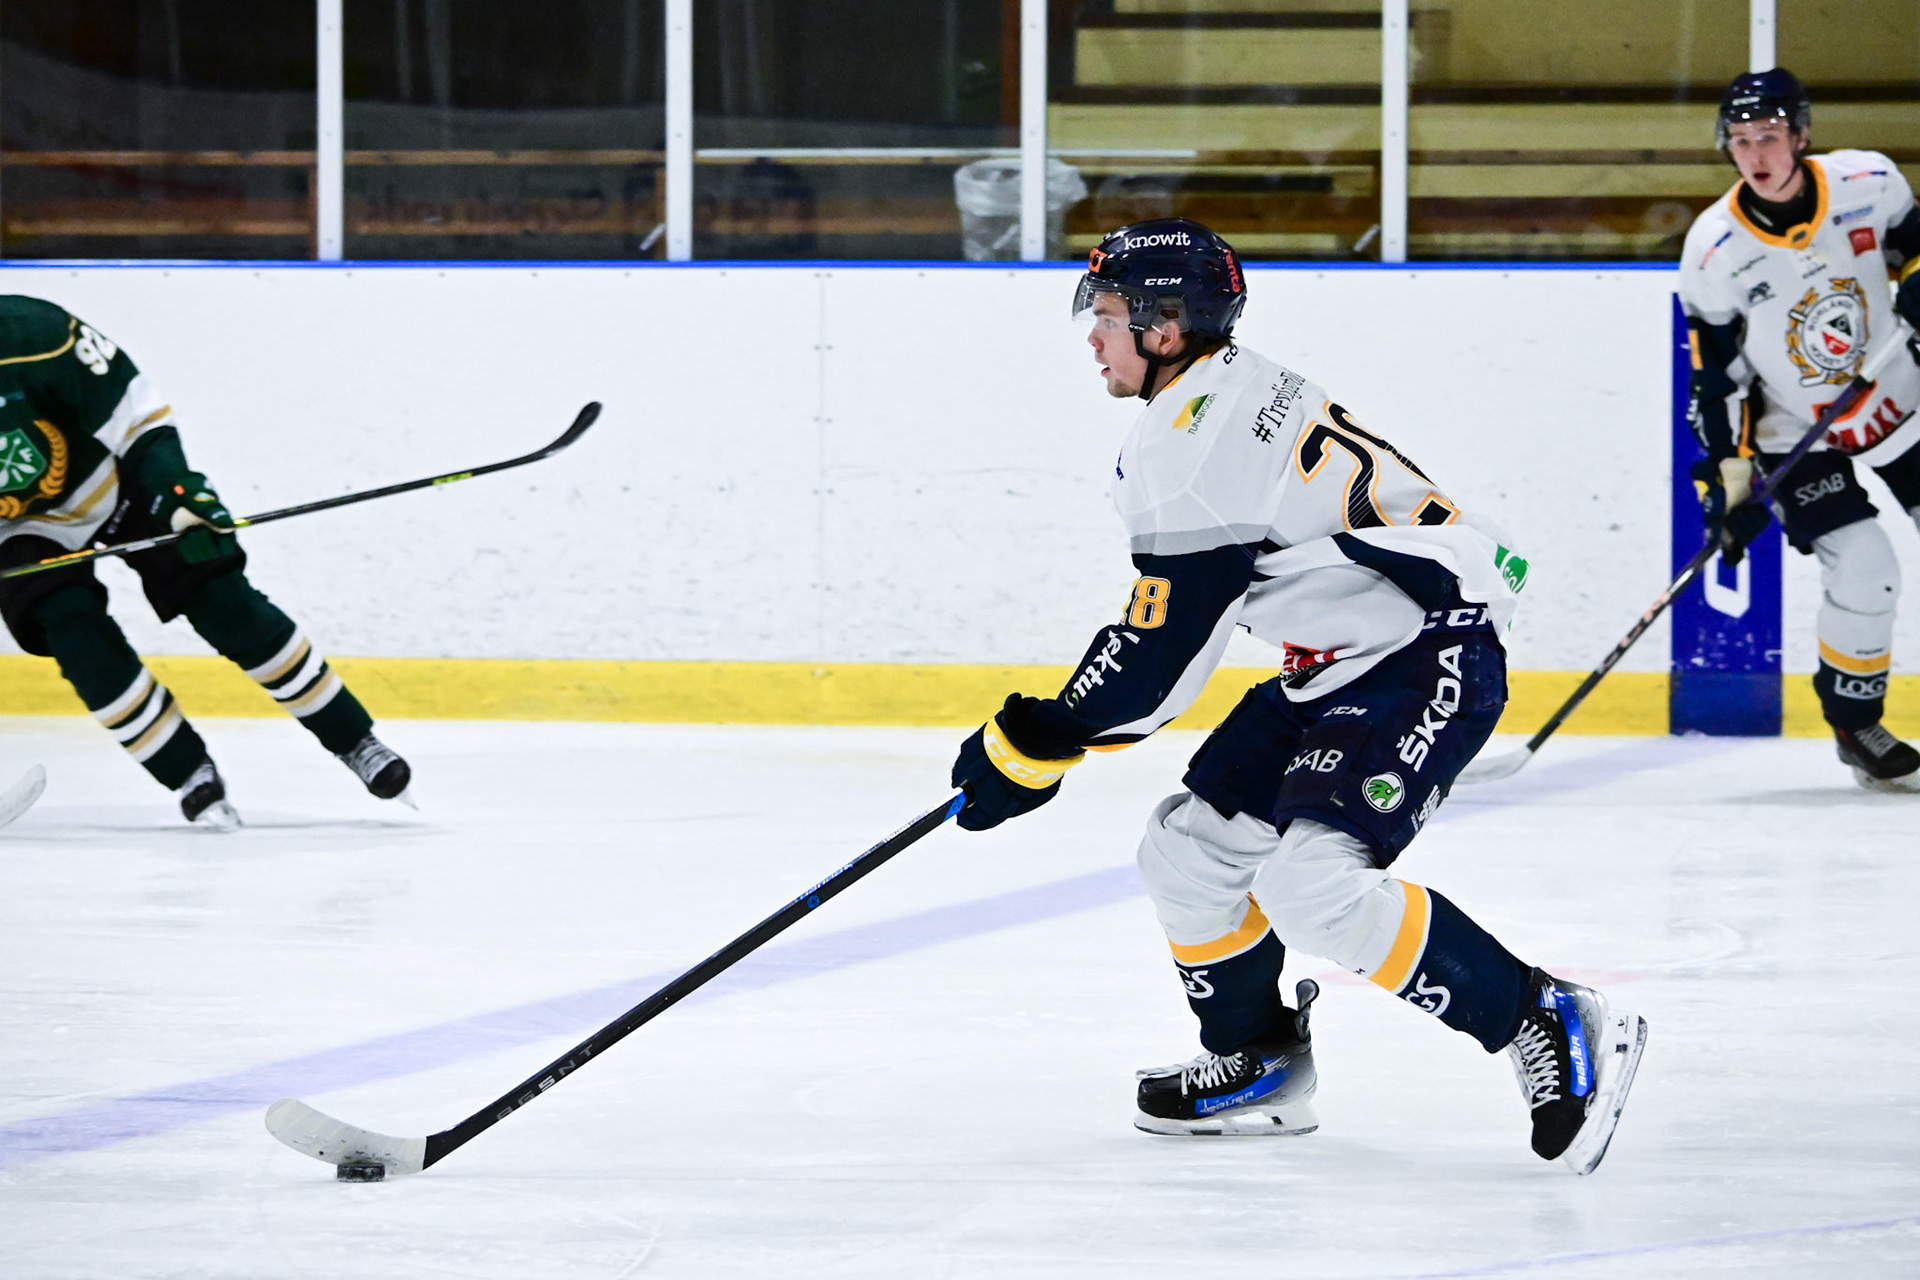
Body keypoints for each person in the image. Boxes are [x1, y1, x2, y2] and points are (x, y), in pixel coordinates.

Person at [946, 219, 1647, 1175]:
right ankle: (1260, 1060)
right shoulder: (1218, 390)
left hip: (1421, 651)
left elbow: (1163, 656)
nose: (1093, 336)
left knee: (1311, 888)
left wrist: (1035, 742)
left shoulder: (1194, 445)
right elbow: (1177, 637)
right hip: (1339, 660)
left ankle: (1541, 1014)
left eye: (1107, 315)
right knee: (1186, 852)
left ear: (1164, 327)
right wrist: (1050, 739)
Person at [0, 296, 411, 828]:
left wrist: (177, 491)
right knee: (75, 635)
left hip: (117, 480)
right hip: (18, 531)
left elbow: (135, 418)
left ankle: (354, 739)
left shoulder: (33, 334)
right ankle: (188, 772)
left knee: (219, 597)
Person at [1679, 68, 1920, 791]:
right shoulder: (1714, 248)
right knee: (1867, 569)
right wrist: (1728, 480)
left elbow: (1916, 246)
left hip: (1900, 401)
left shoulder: (1868, 182)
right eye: (1741, 139)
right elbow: (1716, 379)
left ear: (1802, 134)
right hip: (1795, 435)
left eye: (1770, 135)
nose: (1756, 153)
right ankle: (1856, 725)